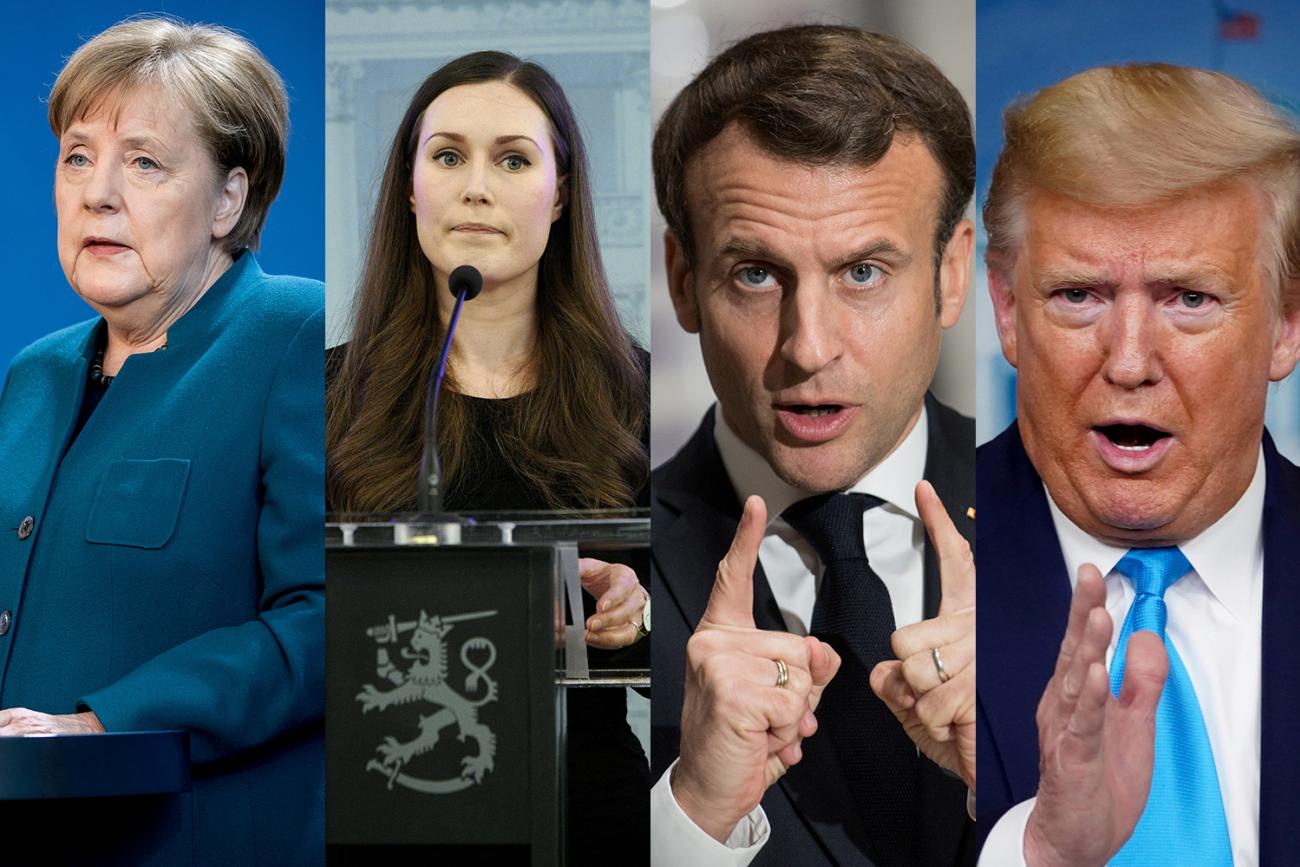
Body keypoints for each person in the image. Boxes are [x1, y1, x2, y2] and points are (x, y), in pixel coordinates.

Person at [649, 25, 977, 867]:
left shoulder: (1075, 525)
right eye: (756, 274)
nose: (808, 346)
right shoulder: (604, 563)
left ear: (952, 272)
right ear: (684, 281)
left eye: (863, 271)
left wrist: (1025, 779)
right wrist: (690, 820)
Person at [0, 18, 324, 866]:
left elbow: (329, 614)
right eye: (78, 156)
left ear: (229, 199)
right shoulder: (33, 375)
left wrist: (104, 719)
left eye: (143, 161)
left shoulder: (303, 336)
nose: (97, 193)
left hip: (194, 840)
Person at [325, 51, 651, 863]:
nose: (476, 187)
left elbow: (706, 646)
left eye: (511, 159)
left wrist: (634, 614)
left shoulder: (644, 394)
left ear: (562, 192)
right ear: (409, 188)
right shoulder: (321, 393)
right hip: (382, 812)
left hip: (585, 813)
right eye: (447, 157)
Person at [976, 64, 1300, 866]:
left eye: (1188, 298)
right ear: (1008, 312)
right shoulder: (897, 560)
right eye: (1078, 294)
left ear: (1287, 326)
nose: (1127, 363)